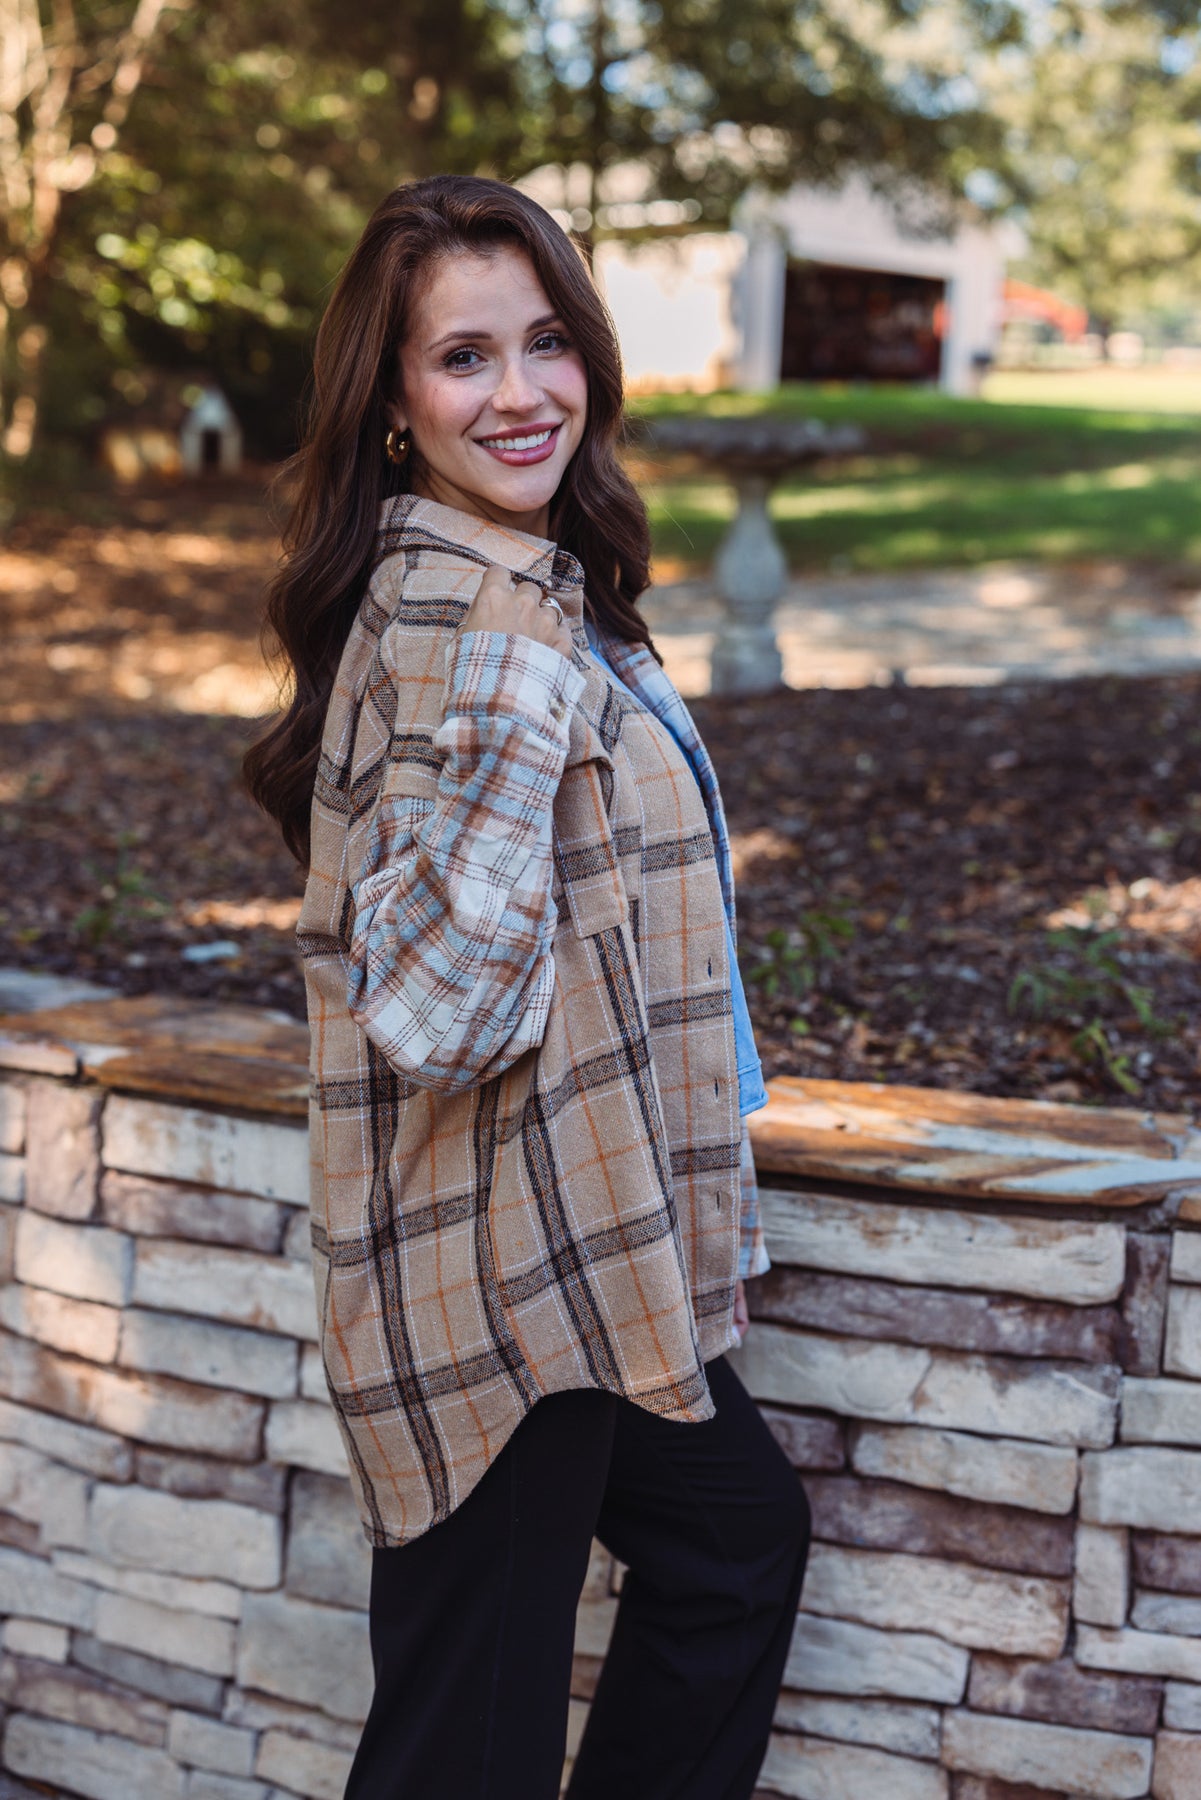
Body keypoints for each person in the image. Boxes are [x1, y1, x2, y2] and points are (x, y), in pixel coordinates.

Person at [244, 173, 811, 1800]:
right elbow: (441, 1015)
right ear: (393, 404)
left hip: (578, 1234)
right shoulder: (477, 614)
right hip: (490, 1263)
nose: (520, 393)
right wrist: (512, 705)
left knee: (731, 1543)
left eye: (546, 342)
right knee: (462, 1751)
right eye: (463, 357)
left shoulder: (526, 580)